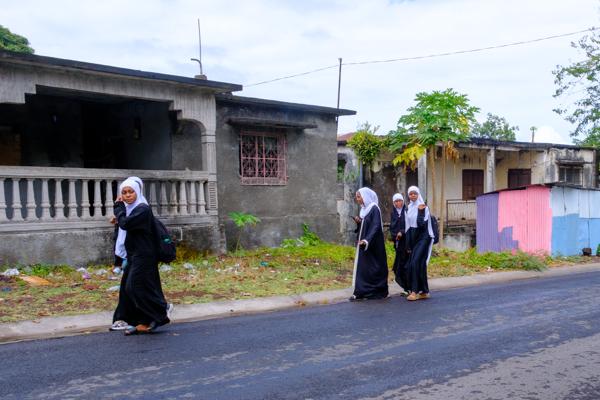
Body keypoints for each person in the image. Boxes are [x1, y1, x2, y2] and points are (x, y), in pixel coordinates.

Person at [111, 177, 171, 335]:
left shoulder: (142, 209)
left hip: (144, 255)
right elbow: (124, 226)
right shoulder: (131, 210)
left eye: (131, 192)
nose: (128, 195)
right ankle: (141, 321)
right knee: (131, 288)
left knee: (135, 287)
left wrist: (118, 208)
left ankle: (159, 314)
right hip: (134, 255)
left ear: (137, 192)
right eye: (124, 192)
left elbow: (126, 223)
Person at [350, 187, 389, 301]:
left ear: (365, 196)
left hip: (374, 244)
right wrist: (359, 222)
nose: (357, 199)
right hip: (364, 244)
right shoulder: (364, 209)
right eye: (357, 197)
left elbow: (375, 226)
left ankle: (377, 291)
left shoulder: (374, 208)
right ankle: (361, 292)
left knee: (375, 267)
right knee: (363, 268)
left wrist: (367, 240)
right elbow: (365, 225)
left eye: (359, 196)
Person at [404, 186, 434, 301]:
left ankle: (414, 291)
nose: (413, 196)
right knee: (420, 264)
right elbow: (409, 227)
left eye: (415, 194)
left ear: (418, 194)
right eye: (410, 194)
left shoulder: (423, 207)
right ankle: (424, 291)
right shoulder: (409, 208)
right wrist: (409, 245)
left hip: (424, 237)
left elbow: (421, 225)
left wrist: (421, 212)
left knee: (415, 262)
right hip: (414, 237)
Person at [389, 193, 409, 295]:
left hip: (406, 244)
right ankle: (406, 288)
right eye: (396, 201)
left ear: (403, 201)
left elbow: (409, 226)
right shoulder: (393, 214)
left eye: (400, 200)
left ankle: (409, 288)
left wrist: (402, 232)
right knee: (397, 267)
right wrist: (394, 235)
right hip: (398, 245)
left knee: (404, 266)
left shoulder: (407, 211)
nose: (398, 203)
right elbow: (392, 227)